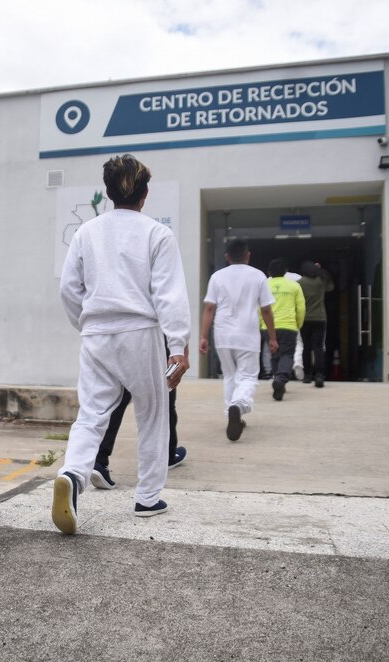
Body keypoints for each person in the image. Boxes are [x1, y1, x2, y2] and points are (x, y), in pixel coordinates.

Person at [54, 154, 190, 534]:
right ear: (145, 194)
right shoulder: (156, 233)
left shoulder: (86, 232)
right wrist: (177, 344)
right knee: (152, 413)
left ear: (109, 193)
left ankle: (73, 474)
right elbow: (169, 293)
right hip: (140, 333)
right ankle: (148, 497)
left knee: (91, 414)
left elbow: (68, 288)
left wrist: (84, 322)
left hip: (96, 333)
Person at [199, 240, 277, 442]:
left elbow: (209, 308)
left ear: (227, 256)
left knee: (230, 376)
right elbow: (266, 310)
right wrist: (273, 337)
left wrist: (203, 336)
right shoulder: (258, 276)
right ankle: (239, 406)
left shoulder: (217, 276)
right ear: (248, 255)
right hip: (248, 334)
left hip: (223, 333)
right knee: (248, 376)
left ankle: (231, 414)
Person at [90, 342, 188, 491]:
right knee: (162, 400)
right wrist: (181, 349)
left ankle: (99, 460)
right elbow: (175, 319)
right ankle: (166, 458)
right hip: (153, 339)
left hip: (121, 340)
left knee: (118, 400)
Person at [265, 259, 306, 401]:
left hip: (267, 326)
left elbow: (259, 308)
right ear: (285, 272)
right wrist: (298, 324)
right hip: (288, 325)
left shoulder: (264, 285)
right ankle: (281, 379)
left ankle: (277, 380)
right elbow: (301, 308)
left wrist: (261, 325)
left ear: (269, 272)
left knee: (274, 354)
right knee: (287, 355)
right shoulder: (294, 286)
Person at [297, 260, 334, 387]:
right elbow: (331, 287)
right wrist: (320, 270)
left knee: (306, 347)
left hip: (304, 319)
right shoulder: (320, 281)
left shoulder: (300, 283)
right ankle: (319, 375)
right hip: (320, 318)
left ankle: (307, 375)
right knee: (318, 347)